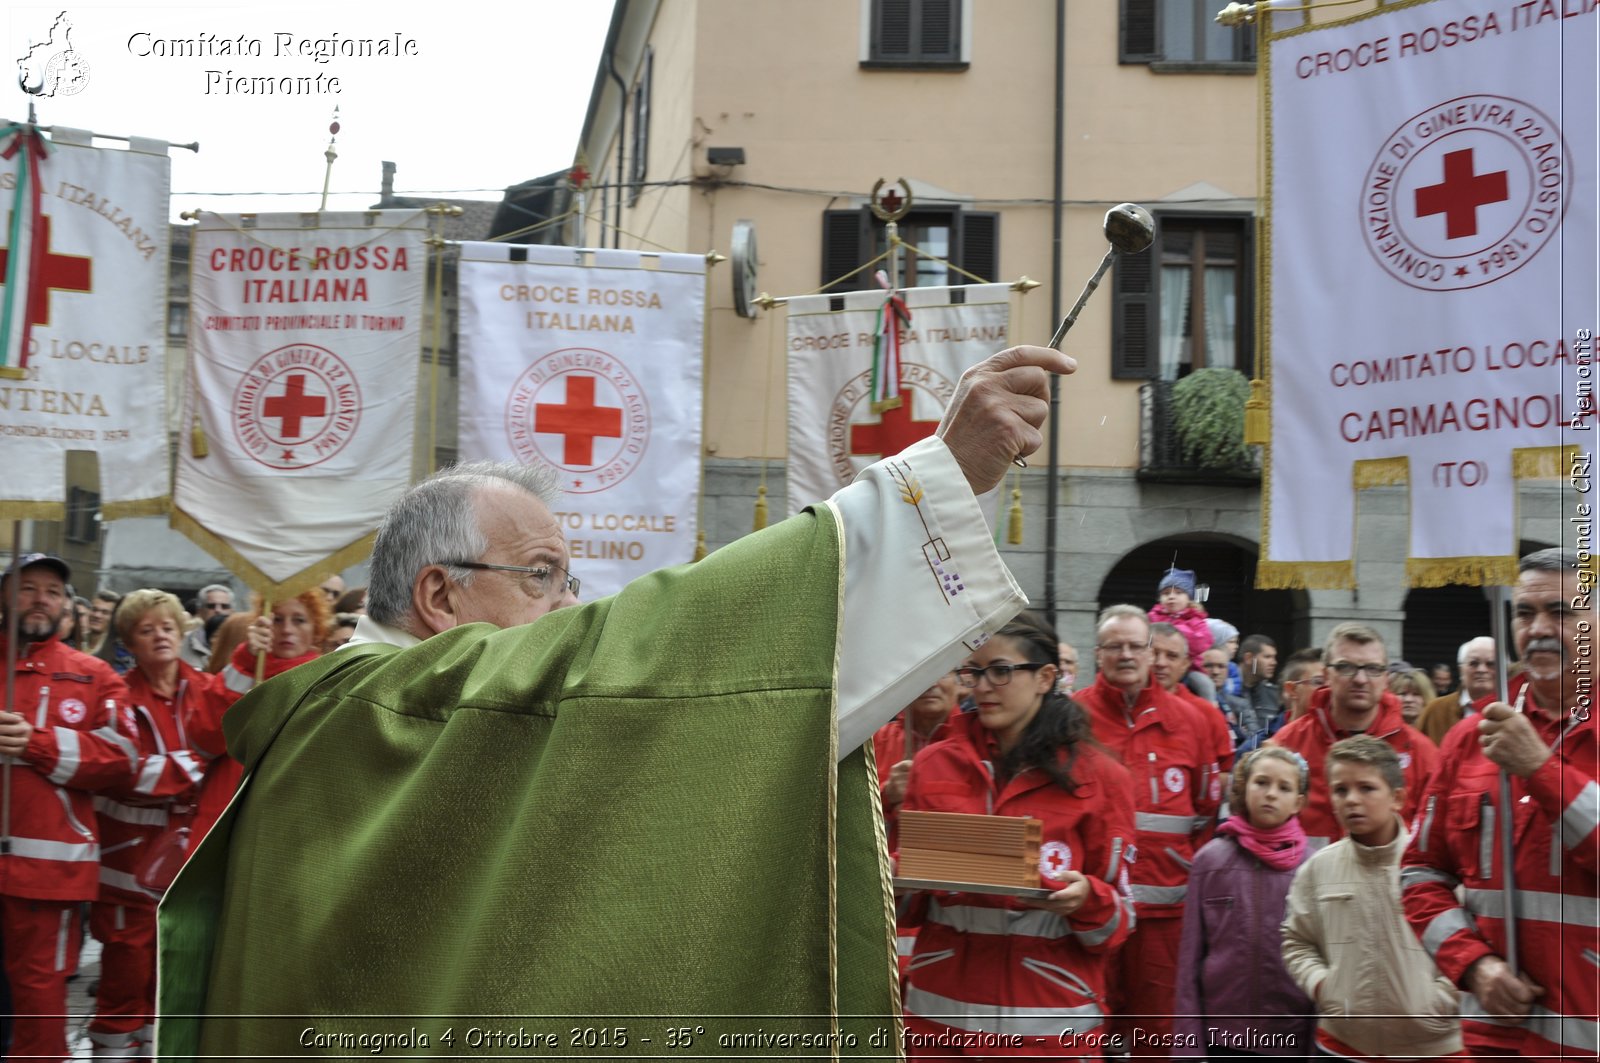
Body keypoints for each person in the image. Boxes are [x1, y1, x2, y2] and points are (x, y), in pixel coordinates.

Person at [156, 343, 1073, 1058]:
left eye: (570, 579)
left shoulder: (348, 709)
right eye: (543, 576)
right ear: (437, 597)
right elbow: (644, 665)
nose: (570, 607)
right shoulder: (413, 703)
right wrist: (931, 486)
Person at [899, 613, 1135, 1058]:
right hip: (940, 1025)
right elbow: (905, 910)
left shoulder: (1104, 778)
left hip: (1046, 1029)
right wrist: (900, 873)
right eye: (974, 672)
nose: (981, 687)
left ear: (1046, 677)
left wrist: (1086, 899)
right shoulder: (933, 766)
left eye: (1001, 671)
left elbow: (1118, 926)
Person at [1401, 548, 1598, 1062]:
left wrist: (1542, 770)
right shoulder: (1471, 739)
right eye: (1525, 613)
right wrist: (1474, 966)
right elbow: (1420, 875)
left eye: (1561, 612)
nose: (1539, 629)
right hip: (1492, 1038)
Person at [87, 589, 265, 1059]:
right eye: (146, 630)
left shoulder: (202, 687)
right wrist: (196, 759)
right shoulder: (117, 696)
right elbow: (127, 773)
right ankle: (108, 1049)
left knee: (168, 968)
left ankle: (151, 1050)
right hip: (126, 863)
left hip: (184, 856)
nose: (160, 636)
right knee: (126, 967)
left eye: (166, 627)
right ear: (129, 642)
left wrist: (251, 648)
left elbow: (233, 701)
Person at [1074, 605, 1229, 1058]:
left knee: (1156, 1032)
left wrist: (1179, 871)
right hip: (1092, 910)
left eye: (1135, 646)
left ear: (1150, 653)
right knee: (1085, 1023)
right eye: (1114, 646)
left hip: (1164, 917)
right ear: (1098, 654)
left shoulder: (1194, 721)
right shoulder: (1070, 718)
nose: (1126, 655)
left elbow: (1206, 813)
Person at [0, 554, 136, 1063]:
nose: (41, 599)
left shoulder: (94, 675)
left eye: (52, 591)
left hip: (46, 872)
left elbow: (123, 758)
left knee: (39, 1003)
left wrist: (37, 744)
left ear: (66, 605)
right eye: (28, 588)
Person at [1284, 737, 1461, 1060]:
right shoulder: (1318, 868)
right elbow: (1297, 941)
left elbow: (1472, 940)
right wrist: (1325, 986)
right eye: (1341, 790)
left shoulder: (1437, 867)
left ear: (1397, 798)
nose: (1352, 800)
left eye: (1366, 788)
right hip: (1342, 1046)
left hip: (1434, 1049)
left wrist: (1440, 1000)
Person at [1174, 746, 1315, 1060]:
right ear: (1243, 787)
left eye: (1284, 788)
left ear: (1299, 802)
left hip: (1289, 1037)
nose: (1270, 794)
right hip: (1222, 1036)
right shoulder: (1210, 861)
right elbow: (1189, 961)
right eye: (1261, 783)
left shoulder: (1314, 867)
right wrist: (1187, 1047)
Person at [1270, 622, 1438, 849]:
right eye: (1346, 667)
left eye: (1373, 669)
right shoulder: (1287, 744)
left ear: (1385, 678)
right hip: (1308, 879)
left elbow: (1435, 837)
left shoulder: (1421, 752)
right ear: (1327, 675)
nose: (1360, 679)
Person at [1415, 636, 1496, 747]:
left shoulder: (1515, 709)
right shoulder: (1436, 710)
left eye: (1490, 664)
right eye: (1474, 663)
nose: (1481, 670)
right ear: (1461, 670)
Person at [180, 584, 234, 669]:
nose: (218, 610)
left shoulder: (241, 644)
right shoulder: (181, 643)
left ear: (232, 612)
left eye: (224, 606)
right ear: (200, 611)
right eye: (211, 606)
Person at [1236, 634, 1281, 734]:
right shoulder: (1226, 691)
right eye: (1267, 657)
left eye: (1274, 657)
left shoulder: (1275, 695)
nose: (1274, 662)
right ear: (1248, 658)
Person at [84, 589, 134, 674]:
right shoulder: (74, 641)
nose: (97, 615)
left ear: (115, 617)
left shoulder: (121, 653)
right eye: (94, 610)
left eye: (105, 612)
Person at [1277, 648, 1325, 725]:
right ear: (1292, 689)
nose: (1328, 689)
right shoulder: (1268, 736)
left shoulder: (1342, 734)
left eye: (1331, 683)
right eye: (1319, 682)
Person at [1206, 619, 1242, 697]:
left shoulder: (1233, 668)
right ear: (1217, 642)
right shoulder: (1200, 663)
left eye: (1221, 666)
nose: (1236, 646)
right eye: (1231, 642)